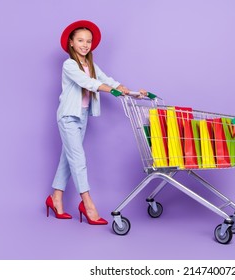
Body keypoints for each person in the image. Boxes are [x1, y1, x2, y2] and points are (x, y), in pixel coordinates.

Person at [46, 20, 147, 225]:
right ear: (71, 43)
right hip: (68, 117)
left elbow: (107, 79)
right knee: (78, 158)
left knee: (68, 158)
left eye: (88, 41)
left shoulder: (90, 65)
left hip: (82, 115)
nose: (85, 44)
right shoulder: (69, 65)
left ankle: (55, 198)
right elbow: (88, 83)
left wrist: (128, 91)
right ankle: (88, 203)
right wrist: (111, 90)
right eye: (80, 40)